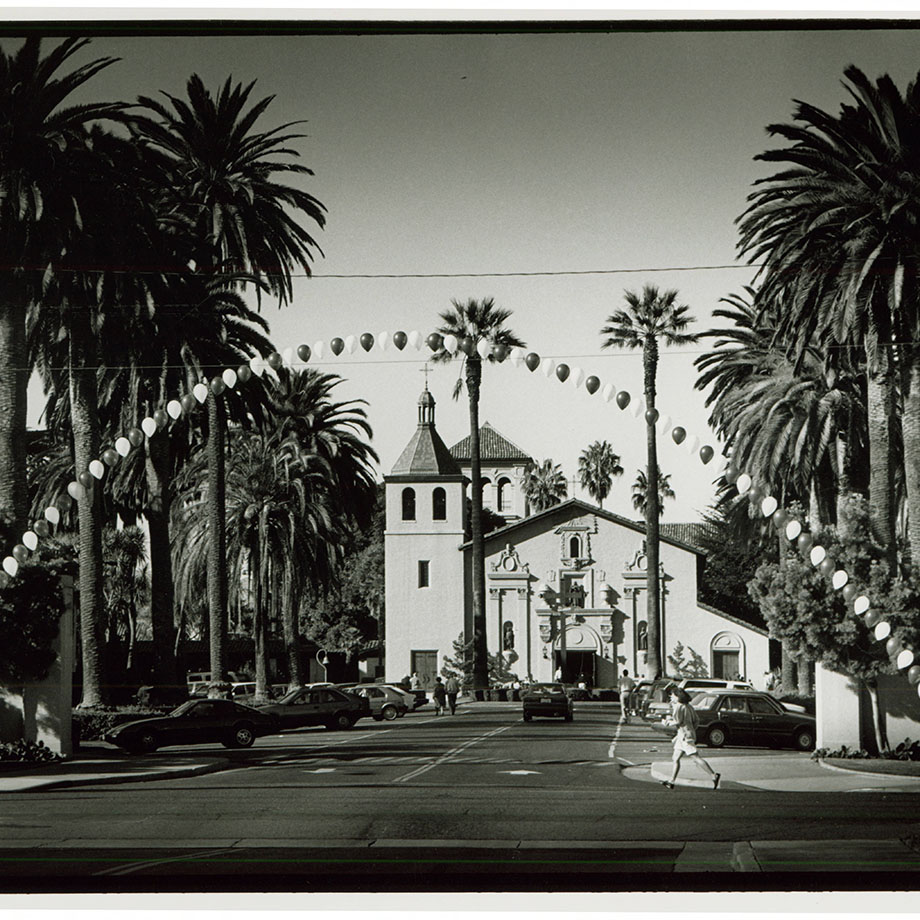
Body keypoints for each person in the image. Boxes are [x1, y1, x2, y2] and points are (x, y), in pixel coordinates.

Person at [661, 687, 720, 790]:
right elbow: (696, 720)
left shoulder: (678, 707)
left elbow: (678, 721)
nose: (671, 697)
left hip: (684, 737)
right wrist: (690, 730)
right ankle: (671, 781)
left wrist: (667, 723)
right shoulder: (688, 706)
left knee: (695, 757)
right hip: (685, 735)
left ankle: (713, 775)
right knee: (675, 758)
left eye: (673, 695)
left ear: (678, 697)